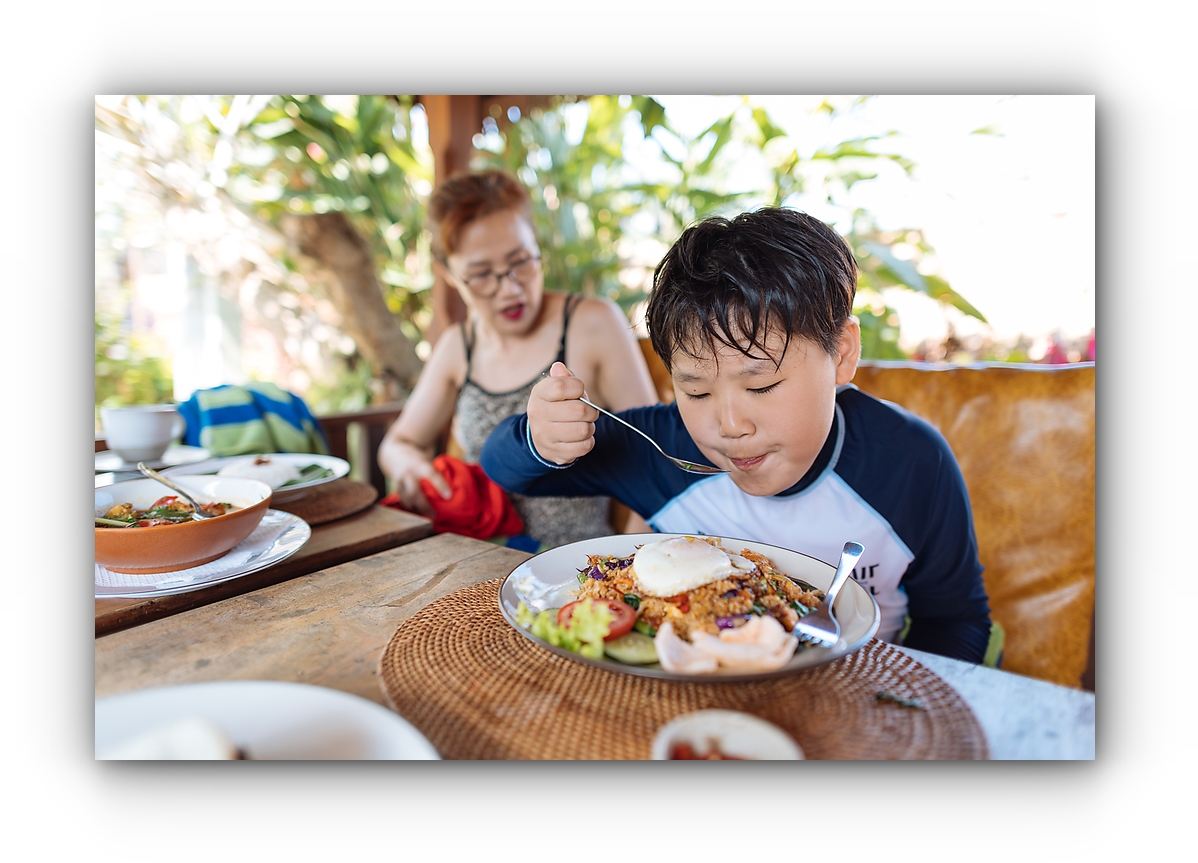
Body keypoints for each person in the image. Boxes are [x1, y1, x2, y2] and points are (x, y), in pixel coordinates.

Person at [480, 208, 993, 663]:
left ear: (841, 352)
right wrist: (541, 437)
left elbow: (957, 621)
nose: (729, 426)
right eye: (697, 391)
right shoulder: (665, 448)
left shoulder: (911, 461)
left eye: (761, 385)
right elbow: (504, 468)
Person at [377, 170, 658, 550]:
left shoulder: (591, 323)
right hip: (476, 558)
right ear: (449, 275)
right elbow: (398, 443)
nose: (509, 289)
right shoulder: (459, 346)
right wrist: (409, 465)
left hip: (577, 560)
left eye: (521, 262)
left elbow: (654, 455)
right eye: (481, 275)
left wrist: (632, 558)